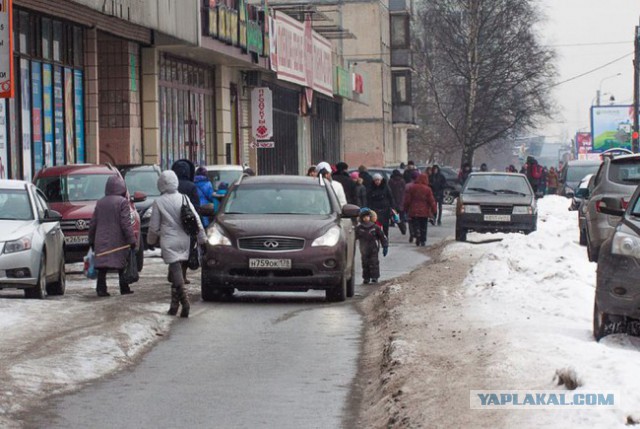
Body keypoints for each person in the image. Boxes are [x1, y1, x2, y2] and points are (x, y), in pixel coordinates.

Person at [147, 170, 207, 318]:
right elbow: (196, 220)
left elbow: (154, 227)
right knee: (177, 271)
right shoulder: (184, 198)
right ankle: (174, 306)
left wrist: (151, 241)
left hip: (169, 240)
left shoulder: (159, 202)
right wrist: (202, 239)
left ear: (160, 183)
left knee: (175, 271)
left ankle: (184, 302)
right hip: (185, 239)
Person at [88, 175, 137, 297]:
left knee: (102, 267)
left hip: (101, 239)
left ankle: (101, 289)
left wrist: (91, 239)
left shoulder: (100, 202)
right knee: (121, 265)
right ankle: (124, 287)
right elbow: (125, 223)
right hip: (118, 240)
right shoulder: (122, 202)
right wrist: (131, 239)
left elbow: (93, 223)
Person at [171, 159, 200, 284]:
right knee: (186, 249)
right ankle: (182, 274)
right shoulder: (191, 186)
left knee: (173, 249)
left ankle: (173, 271)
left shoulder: (171, 187)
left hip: (172, 222)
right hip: (188, 223)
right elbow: (196, 206)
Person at [355, 207, 388, 284]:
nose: (366, 218)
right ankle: (366, 278)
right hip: (363, 249)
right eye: (364, 217)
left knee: (374, 263)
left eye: (367, 216)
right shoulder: (359, 228)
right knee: (365, 263)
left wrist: (385, 246)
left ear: (370, 217)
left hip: (374, 248)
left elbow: (382, 237)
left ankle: (374, 277)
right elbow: (353, 237)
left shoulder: (375, 227)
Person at [403, 174, 437, 247]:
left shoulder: (412, 188)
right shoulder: (427, 189)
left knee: (415, 224)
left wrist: (405, 208)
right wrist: (434, 210)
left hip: (413, 210)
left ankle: (417, 233)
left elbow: (407, 200)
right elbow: (431, 201)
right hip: (424, 211)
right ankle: (423, 240)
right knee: (423, 226)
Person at [368, 173, 396, 238]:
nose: (377, 182)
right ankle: (377, 237)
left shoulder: (386, 187)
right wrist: (369, 208)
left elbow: (390, 197)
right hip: (375, 208)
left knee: (385, 225)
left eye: (378, 180)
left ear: (381, 180)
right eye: (376, 180)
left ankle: (385, 237)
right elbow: (369, 198)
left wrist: (393, 207)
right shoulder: (371, 188)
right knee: (376, 224)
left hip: (385, 208)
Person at [403, 169, 421, 243]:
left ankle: (412, 233)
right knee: (417, 221)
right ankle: (417, 232)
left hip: (410, 206)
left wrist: (405, 205)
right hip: (418, 206)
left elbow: (405, 197)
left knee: (410, 221)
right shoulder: (420, 186)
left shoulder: (407, 186)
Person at [388, 169, 406, 234]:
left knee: (395, 215)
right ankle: (403, 226)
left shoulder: (391, 181)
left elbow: (389, 191)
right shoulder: (402, 181)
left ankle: (399, 224)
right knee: (401, 215)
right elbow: (404, 191)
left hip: (393, 200)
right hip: (401, 200)